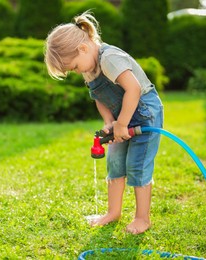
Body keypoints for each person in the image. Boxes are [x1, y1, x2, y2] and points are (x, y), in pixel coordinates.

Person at [44, 11, 163, 234]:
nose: (78, 71)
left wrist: (122, 122)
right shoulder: (89, 68)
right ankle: (113, 213)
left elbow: (134, 89)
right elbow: (99, 97)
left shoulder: (109, 58)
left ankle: (142, 218)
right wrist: (110, 121)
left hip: (145, 113)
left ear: (83, 48)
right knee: (116, 163)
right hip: (121, 118)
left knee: (138, 164)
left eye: (75, 67)